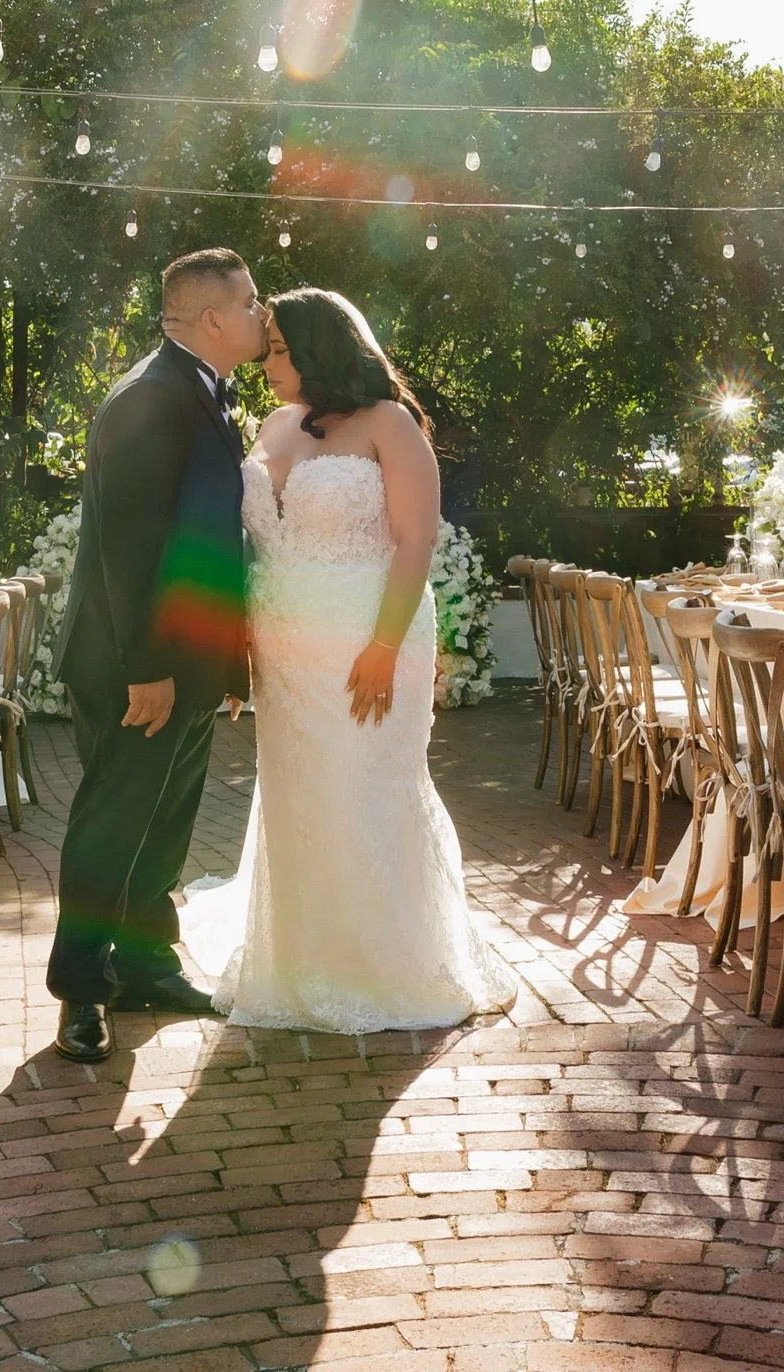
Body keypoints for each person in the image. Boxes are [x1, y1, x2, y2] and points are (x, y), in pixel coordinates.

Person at [177, 287, 515, 1032]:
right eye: (266, 350)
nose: (267, 363)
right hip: (284, 649)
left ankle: (386, 962)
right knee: (301, 794)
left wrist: (385, 648)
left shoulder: (389, 424)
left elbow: (416, 541)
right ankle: (299, 958)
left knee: (366, 786)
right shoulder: (272, 423)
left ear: (319, 349)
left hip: (369, 638)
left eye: (280, 350)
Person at [47, 249, 266, 1063]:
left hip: (188, 665)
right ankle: (79, 992)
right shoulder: (151, 397)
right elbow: (131, 549)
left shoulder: (204, 393)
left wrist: (225, 666)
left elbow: (204, 544)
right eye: (250, 303)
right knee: (112, 824)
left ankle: (143, 962)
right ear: (213, 319)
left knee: (165, 822)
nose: (260, 314)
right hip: (135, 666)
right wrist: (148, 667)